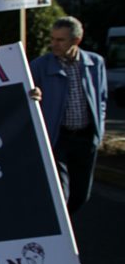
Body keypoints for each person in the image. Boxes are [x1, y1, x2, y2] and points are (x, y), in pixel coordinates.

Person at [29, 16, 107, 214]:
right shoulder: (40, 66)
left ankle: (67, 228)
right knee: (60, 194)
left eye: (60, 40)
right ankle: (61, 236)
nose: (53, 44)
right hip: (58, 138)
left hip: (85, 138)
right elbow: (28, 95)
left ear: (76, 41)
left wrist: (100, 131)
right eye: (53, 38)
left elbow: (102, 99)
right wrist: (34, 95)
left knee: (81, 195)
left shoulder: (95, 63)